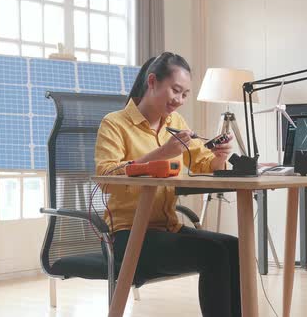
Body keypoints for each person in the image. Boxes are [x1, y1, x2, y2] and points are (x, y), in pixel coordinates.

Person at [94, 52, 241, 317]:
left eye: (185, 94)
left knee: (234, 247)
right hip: (128, 237)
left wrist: (220, 156)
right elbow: (106, 177)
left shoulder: (175, 123)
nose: (179, 101)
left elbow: (202, 162)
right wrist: (160, 154)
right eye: (175, 90)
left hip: (167, 229)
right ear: (152, 81)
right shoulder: (114, 123)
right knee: (214, 254)